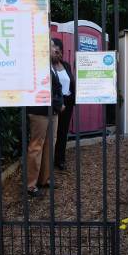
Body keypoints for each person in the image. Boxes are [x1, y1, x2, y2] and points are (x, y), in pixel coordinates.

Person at [26, 42, 64, 197]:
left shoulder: (51, 65)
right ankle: (30, 185)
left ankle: (45, 179)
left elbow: (57, 88)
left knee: (50, 145)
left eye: (55, 47)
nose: (56, 49)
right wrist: (58, 104)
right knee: (36, 147)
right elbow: (45, 89)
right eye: (52, 46)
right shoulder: (37, 66)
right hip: (39, 111)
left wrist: (58, 104)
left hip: (52, 112)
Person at [51, 38, 76, 171]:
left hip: (68, 102)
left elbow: (71, 81)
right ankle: (49, 160)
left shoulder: (66, 65)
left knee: (63, 132)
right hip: (54, 103)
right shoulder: (48, 66)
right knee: (52, 133)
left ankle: (60, 159)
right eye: (55, 51)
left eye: (60, 51)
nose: (58, 54)